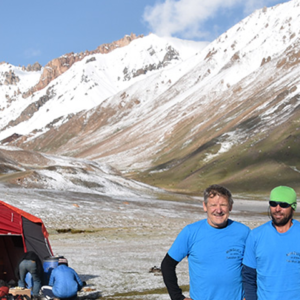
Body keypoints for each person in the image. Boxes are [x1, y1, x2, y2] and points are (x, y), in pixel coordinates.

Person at [161, 184, 250, 300]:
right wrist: (177, 297)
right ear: (205, 206)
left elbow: (255, 268)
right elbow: (167, 265)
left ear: (231, 207)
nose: (218, 210)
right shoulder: (190, 232)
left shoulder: (244, 232)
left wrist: (250, 296)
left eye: (223, 205)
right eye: (213, 205)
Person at [242, 185, 299, 300]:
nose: (277, 209)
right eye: (273, 204)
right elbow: (249, 276)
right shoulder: (255, 235)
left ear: (293, 207)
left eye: (283, 205)